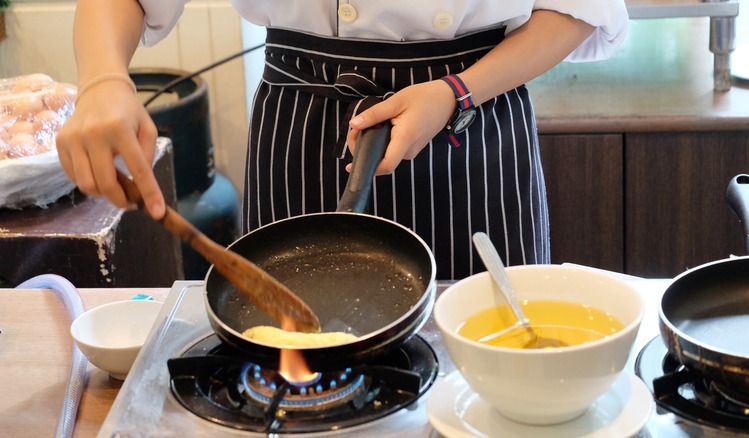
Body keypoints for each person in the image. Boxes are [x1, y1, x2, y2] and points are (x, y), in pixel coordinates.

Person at [56, 1, 629, 280]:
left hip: (472, 116)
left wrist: (455, 92)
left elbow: (578, 7)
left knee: (503, 359)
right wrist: (104, 80)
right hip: (304, 119)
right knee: (300, 361)